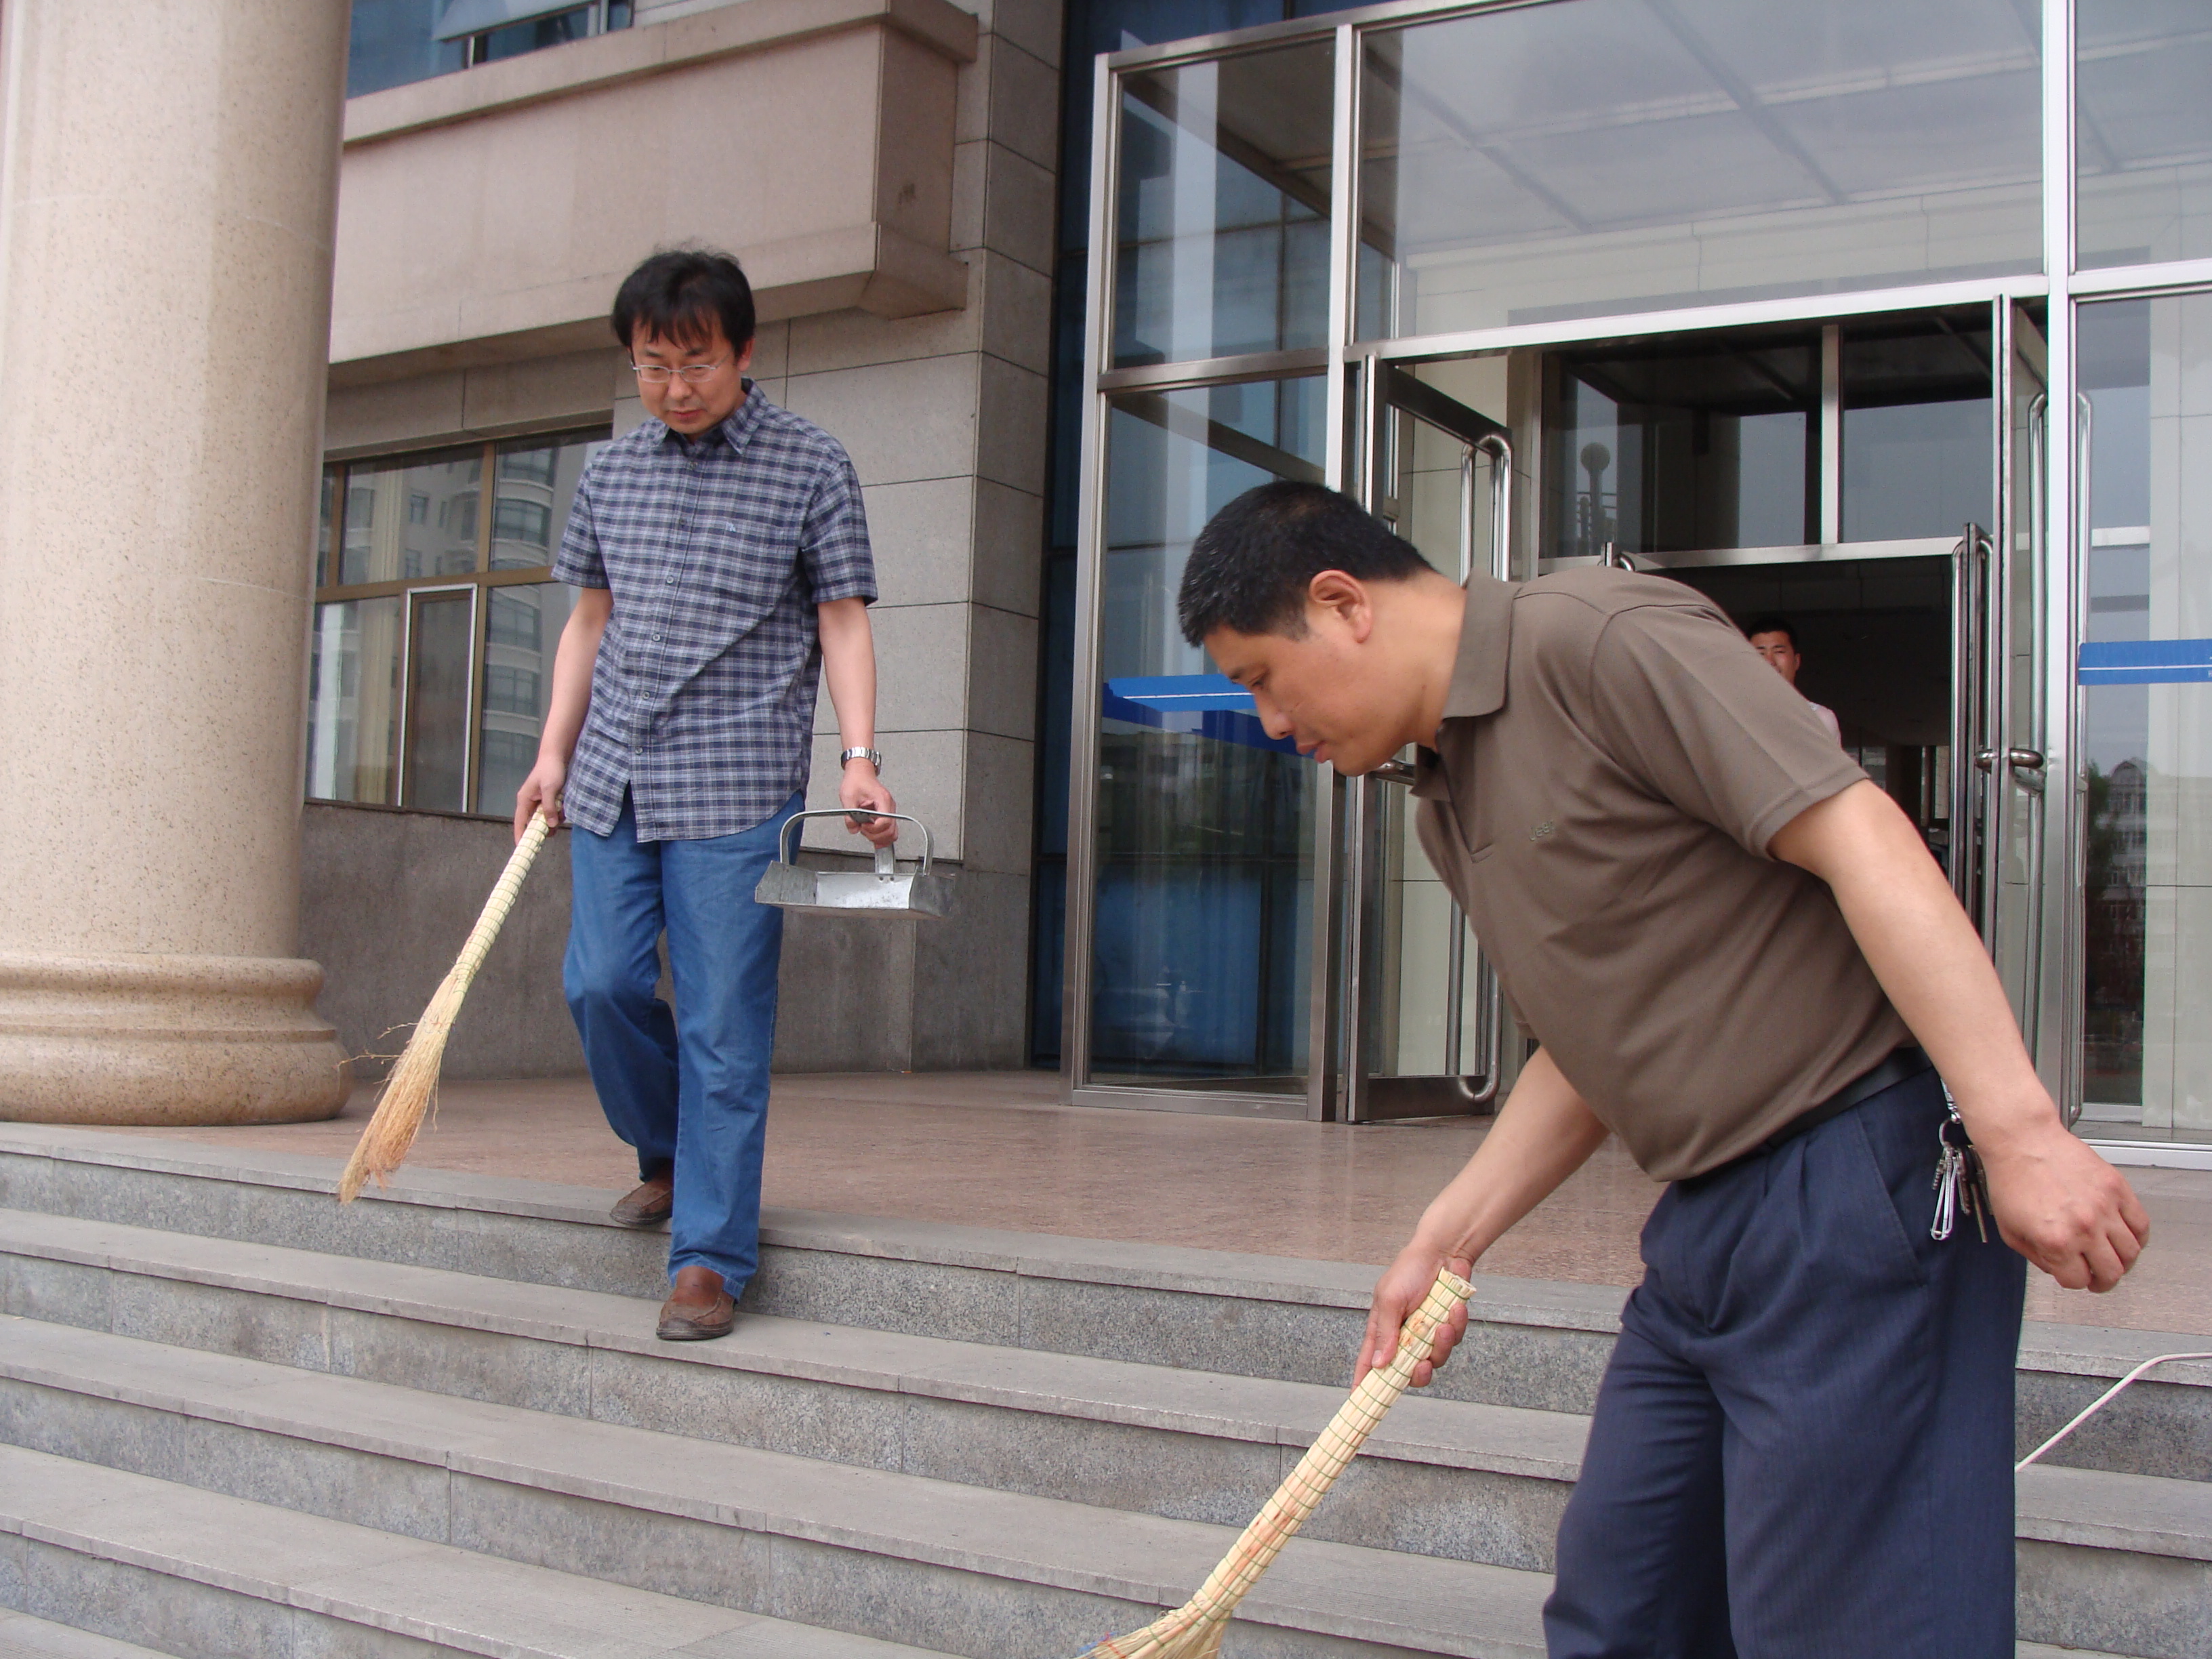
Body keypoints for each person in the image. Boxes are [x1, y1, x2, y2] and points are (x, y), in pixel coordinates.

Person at [1179, 481, 2148, 1657]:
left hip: (1852, 1191)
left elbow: (1859, 833)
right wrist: (1449, 1234)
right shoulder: (1445, 796)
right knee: (1623, 1614)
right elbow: (1592, 1045)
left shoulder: (1593, 638)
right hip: (1701, 1231)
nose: (1271, 724)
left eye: (1260, 679)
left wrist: (2019, 1130)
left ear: (1341, 605)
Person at [514, 247, 897, 1343]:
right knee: (598, 984)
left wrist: (857, 755)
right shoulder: (609, 473)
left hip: (735, 780)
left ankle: (709, 1257)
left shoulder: (810, 464)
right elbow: (588, 622)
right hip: (613, 776)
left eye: (695, 364)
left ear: (742, 351)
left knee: (725, 1024)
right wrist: (551, 753)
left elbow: (841, 619)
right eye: (652, 366)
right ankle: (674, 1153)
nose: (674, 387)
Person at [1746, 613, 1842, 743]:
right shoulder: (1733, 717)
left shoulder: (1820, 719)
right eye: (1760, 653)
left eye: (1779, 652)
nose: (1770, 661)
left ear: (1796, 661)